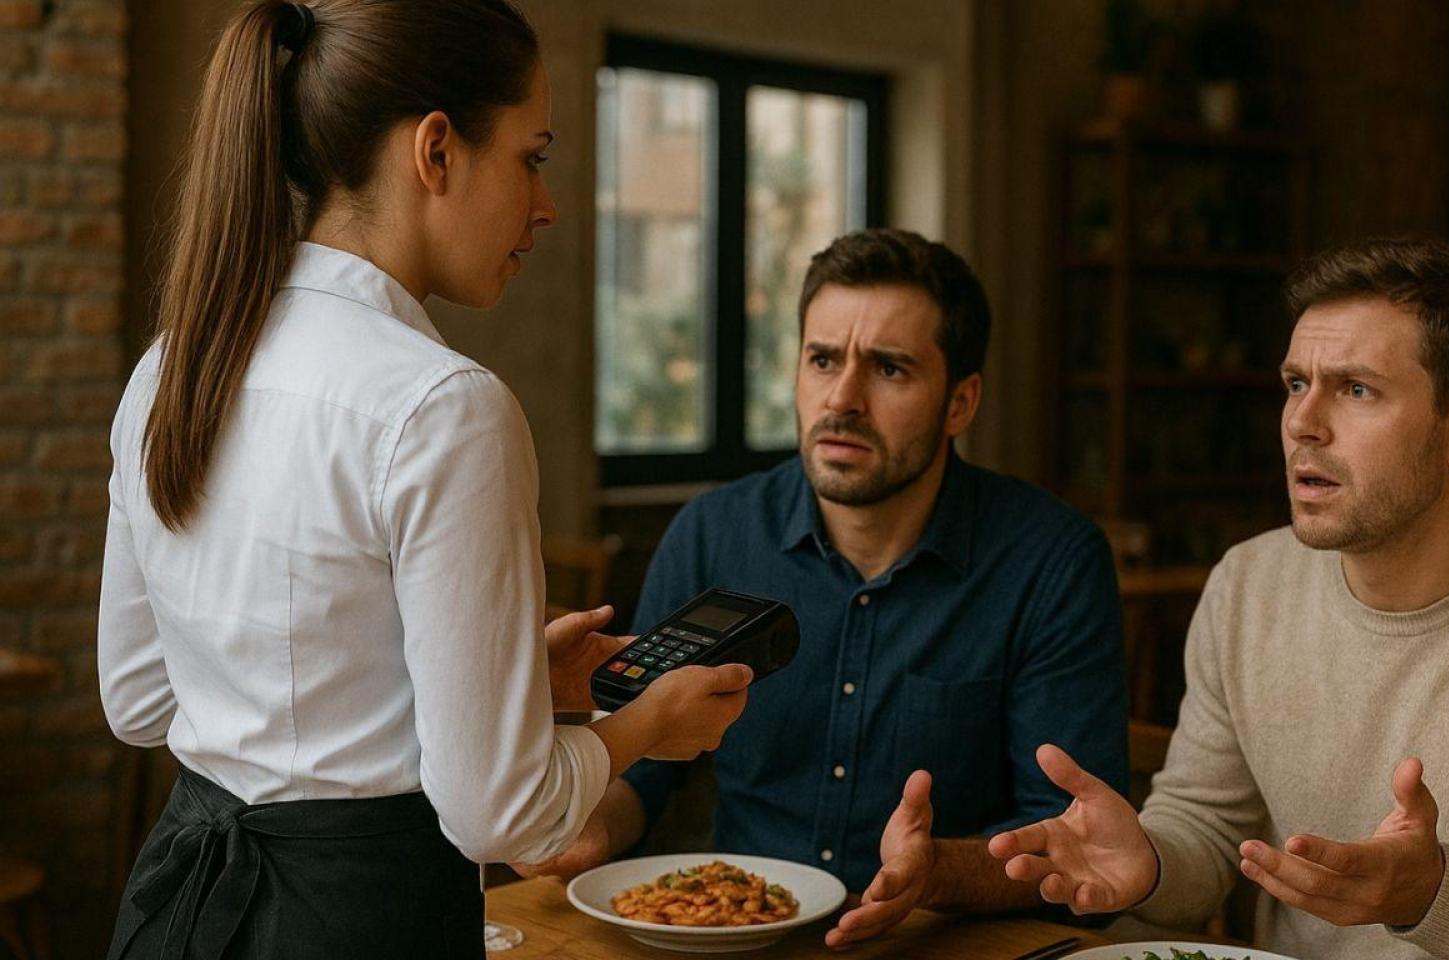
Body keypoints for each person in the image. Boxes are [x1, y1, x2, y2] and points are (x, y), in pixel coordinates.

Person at [96, 3, 749, 956]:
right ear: (436, 151)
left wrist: (501, 676)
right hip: (358, 923)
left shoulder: (171, 365)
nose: (548, 204)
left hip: (176, 910)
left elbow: (141, 699)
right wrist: (646, 723)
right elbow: (500, 816)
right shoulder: (445, 406)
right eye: (534, 156)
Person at [988, 237, 1449, 958]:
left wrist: (1436, 897)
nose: (1303, 422)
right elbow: (1206, 826)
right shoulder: (1247, 585)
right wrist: (1149, 862)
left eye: (1356, 389)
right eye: (1297, 383)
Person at [518, 228, 1131, 946]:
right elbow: (646, 774)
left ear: (961, 403)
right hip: (738, 933)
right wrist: (579, 819)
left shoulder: (1051, 562)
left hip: (945, 943)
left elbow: (1068, 836)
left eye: (890, 370)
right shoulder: (713, 534)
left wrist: (935, 872)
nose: (843, 399)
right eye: (822, 359)